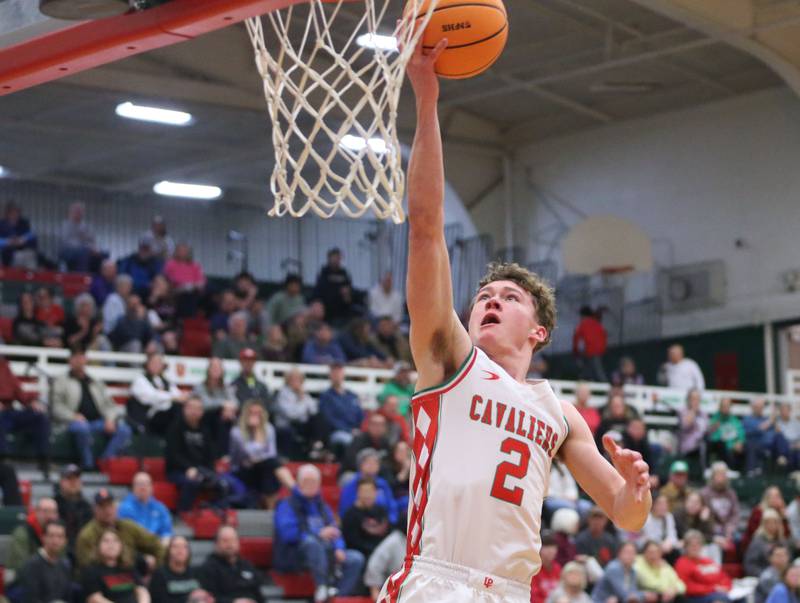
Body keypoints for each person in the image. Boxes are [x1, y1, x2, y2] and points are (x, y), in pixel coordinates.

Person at [377, 37, 651, 603]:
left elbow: (625, 516)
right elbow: (426, 226)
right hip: (437, 580)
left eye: (507, 297)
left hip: (510, 591)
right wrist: (427, 100)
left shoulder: (560, 412)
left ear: (539, 331)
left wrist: (637, 489)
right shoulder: (449, 356)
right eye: (483, 296)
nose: (489, 301)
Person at [274, 464, 365, 602]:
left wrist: (339, 548)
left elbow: (335, 531)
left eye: (314, 482)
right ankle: (321, 587)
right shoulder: (287, 505)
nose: (311, 485)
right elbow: (289, 534)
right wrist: (318, 533)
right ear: (298, 483)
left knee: (355, 558)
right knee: (311, 543)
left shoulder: (322, 506)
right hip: (295, 554)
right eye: (306, 481)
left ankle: (337, 596)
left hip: (326, 551)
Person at [52, 346, 133, 470]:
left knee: (124, 430)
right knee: (81, 428)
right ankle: (88, 464)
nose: (79, 360)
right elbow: (56, 407)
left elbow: (110, 405)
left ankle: (105, 461)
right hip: (73, 422)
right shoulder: (61, 381)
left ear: (86, 360)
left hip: (97, 421)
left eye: (82, 357)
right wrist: (73, 416)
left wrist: (110, 419)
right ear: (70, 360)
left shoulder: (95, 382)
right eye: (76, 357)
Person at [166, 396, 235, 512]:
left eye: (198, 409)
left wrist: (210, 472)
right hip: (178, 471)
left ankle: (217, 514)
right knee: (193, 482)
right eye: (191, 408)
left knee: (222, 484)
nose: (194, 411)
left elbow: (210, 456)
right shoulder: (175, 428)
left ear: (202, 412)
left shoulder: (205, 430)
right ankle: (182, 513)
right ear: (184, 409)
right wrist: (188, 468)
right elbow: (173, 455)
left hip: (201, 470)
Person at [75, 489, 164, 570]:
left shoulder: (128, 526)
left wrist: (156, 573)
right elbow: (86, 566)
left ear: (116, 507)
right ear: (95, 510)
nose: (107, 510)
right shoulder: (86, 535)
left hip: (131, 576)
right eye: (102, 507)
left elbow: (157, 545)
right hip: (101, 579)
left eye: (110, 505)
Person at [229, 400, 295, 508]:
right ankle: (295, 490)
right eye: (252, 413)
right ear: (246, 414)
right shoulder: (236, 432)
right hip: (242, 469)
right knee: (272, 465)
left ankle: (271, 508)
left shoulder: (269, 428)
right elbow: (248, 454)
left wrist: (260, 458)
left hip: (264, 468)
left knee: (270, 469)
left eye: (258, 413)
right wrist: (256, 433)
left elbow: (271, 453)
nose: (255, 416)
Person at [0, 355, 50, 473]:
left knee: (39, 417)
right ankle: (4, 462)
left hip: (9, 411)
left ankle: (43, 459)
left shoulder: (3, 365)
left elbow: (18, 390)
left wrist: (31, 401)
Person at [6, 497, 60, 596]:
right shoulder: (22, 533)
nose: (49, 516)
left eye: (53, 512)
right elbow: (21, 567)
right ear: (36, 512)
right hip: (22, 583)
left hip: (51, 581)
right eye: (45, 511)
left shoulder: (58, 533)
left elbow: (61, 560)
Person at [80, 529, 150, 603]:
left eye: (115, 541)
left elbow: (142, 591)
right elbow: (94, 599)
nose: (111, 544)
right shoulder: (91, 571)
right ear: (97, 546)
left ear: (121, 545)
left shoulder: (128, 568)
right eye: (106, 541)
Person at [198, 526, 264, 603]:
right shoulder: (208, 568)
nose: (230, 544)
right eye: (225, 541)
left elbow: (258, 594)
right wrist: (234, 601)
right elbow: (209, 599)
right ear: (216, 544)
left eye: (233, 540)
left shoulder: (247, 565)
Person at [128, 353, 188, 435]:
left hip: (166, 416)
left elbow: (178, 394)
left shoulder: (166, 381)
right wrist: (172, 397)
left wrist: (183, 397)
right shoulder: (140, 380)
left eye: (159, 363)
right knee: (176, 409)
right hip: (149, 418)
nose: (156, 365)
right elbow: (150, 397)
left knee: (184, 409)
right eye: (153, 362)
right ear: (147, 364)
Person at [273, 368, 324, 459]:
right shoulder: (283, 394)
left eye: (298, 379)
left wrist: (303, 397)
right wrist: (301, 400)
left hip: (301, 424)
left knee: (319, 418)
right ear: (288, 380)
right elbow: (292, 415)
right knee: (291, 429)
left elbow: (314, 410)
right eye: (293, 379)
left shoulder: (304, 394)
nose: (296, 382)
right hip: (287, 425)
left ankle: (317, 445)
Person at [340, 449, 398, 525]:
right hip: (360, 525)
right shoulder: (352, 484)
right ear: (360, 465)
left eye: (375, 463)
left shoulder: (382, 483)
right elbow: (346, 511)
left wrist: (390, 522)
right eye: (368, 463)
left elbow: (392, 505)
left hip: (383, 524)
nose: (372, 466)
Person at [19, 520, 72, 603]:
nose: (55, 541)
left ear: (65, 541)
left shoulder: (64, 565)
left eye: (60, 536)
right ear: (43, 538)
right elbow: (30, 599)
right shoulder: (32, 565)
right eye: (51, 536)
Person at [193, 357, 238, 454]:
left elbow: (235, 403)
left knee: (227, 418)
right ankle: (220, 454)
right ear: (208, 370)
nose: (216, 369)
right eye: (213, 366)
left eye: (218, 367)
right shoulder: (200, 387)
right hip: (205, 419)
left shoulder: (226, 387)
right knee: (218, 417)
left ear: (223, 370)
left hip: (224, 420)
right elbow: (204, 404)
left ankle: (228, 455)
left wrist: (228, 408)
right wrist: (223, 404)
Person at [674, 530, 731, 603]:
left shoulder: (708, 561)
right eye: (692, 545)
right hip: (695, 597)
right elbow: (686, 586)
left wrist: (725, 587)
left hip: (717, 594)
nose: (695, 547)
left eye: (698, 544)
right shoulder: (682, 563)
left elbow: (724, 577)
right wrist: (712, 588)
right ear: (685, 547)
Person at [149, 535, 211, 603]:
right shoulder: (160, 574)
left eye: (184, 547)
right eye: (175, 546)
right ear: (168, 551)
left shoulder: (197, 572)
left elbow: (209, 596)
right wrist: (190, 600)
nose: (180, 550)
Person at [342, 476, 391, 559]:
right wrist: (376, 551)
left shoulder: (381, 511)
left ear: (376, 493)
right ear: (358, 493)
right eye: (364, 491)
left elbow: (388, 534)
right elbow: (353, 542)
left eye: (370, 491)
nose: (367, 495)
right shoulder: (350, 514)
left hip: (383, 553)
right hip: (364, 554)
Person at [319, 362, 364, 450]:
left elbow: (360, 415)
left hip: (356, 432)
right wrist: (349, 430)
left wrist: (359, 430)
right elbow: (329, 419)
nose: (337, 375)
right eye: (334, 373)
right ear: (330, 376)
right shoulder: (326, 396)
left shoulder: (352, 395)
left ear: (343, 374)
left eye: (339, 372)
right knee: (349, 441)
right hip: (337, 432)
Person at [365, 510, 408, 601]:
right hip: (390, 592)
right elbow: (374, 565)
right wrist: (375, 593)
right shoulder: (393, 541)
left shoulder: (416, 542)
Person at [118, 472, 173, 542]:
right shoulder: (124, 508)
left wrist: (161, 549)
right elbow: (125, 533)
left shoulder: (160, 508)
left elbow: (167, 532)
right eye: (139, 484)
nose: (143, 487)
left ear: (152, 487)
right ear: (133, 487)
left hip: (156, 547)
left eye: (146, 484)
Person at [700, 462, 739, 553]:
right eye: (719, 474)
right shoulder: (704, 493)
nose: (721, 477)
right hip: (712, 530)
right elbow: (705, 516)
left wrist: (730, 527)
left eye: (723, 474)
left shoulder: (731, 494)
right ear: (712, 476)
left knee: (739, 540)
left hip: (728, 529)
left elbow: (735, 513)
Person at [54, 464, 93, 554]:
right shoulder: (54, 505)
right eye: (69, 479)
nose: (73, 482)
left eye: (76, 479)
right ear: (61, 482)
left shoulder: (87, 507)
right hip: (59, 552)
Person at [742, 487, 790, 556]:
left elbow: (785, 535)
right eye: (772, 496)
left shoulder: (781, 512)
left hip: (775, 546)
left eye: (777, 496)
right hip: (757, 546)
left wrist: (783, 518)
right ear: (767, 498)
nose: (775, 499)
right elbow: (755, 533)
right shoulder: (758, 511)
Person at [674, 491, 720, 563]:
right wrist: (702, 521)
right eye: (691, 501)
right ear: (686, 502)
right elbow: (689, 536)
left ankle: (715, 571)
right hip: (681, 544)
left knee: (714, 547)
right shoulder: (678, 514)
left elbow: (709, 535)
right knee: (701, 549)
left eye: (696, 503)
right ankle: (702, 572)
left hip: (695, 543)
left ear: (701, 505)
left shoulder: (703, 515)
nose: (693, 505)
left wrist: (704, 521)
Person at [162, 243, 206, 319]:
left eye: (185, 251)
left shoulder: (195, 265)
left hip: (193, 290)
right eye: (180, 250)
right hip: (176, 289)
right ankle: (185, 319)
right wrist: (182, 285)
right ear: (176, 252)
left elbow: (201, 281)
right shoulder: (170, 264)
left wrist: (191, 286)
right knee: (185, 293)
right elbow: (167, 278)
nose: (182, 253)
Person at [58, 201, 103, 272]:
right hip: (68, 251)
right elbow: (67, 242)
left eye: (80, 212)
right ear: (71, 212)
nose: (79, 214)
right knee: (83, 252)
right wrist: (86, 247)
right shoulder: (65, 226)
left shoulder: (86, 226)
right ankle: (81, 275)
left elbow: (92, 240)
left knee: (102, 254)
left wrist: (94, 248)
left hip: (85, 250)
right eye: (76, 211)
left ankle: (97, 277)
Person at [313, 247, 354, 325]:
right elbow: (318, 292)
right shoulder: (323, 273)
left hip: (343, 309)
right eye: (334, 258)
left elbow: (349, 290)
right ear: (329, 259)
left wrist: (347, 295)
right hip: (327, 309)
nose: (336, 260)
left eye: (338, 258)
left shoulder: (344, 273)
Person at [745, 509, 789, 578]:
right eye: (769, 522)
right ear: (763, 524)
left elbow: (788, 561)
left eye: (775, 522)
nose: (772, 525)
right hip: (763, 576)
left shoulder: (782, 541)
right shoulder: (757, 542)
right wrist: (765, 575)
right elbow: (750, 565)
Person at [637, 495, 679, 562]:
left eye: (665, 504)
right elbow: (649, 538)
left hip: (665, 547)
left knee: (676, 552)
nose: (663, 507)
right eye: (660, 504)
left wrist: (669, 543)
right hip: (649, 547)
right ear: (653, 505)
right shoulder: (647, 518)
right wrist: (661, 545)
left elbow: (672, 535)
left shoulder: (668, 517)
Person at [572, 306, 607, 383]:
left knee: (596, 374)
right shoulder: (598, 324)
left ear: (582, 315)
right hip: (600, 352)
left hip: (588, 352)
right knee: (592, 372)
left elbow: (577, 339)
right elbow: (604, 336)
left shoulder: (582, 325)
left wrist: (576, 353)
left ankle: (607, 390)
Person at [743, 398, 777, 476]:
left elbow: (774, 433)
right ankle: (751, 471)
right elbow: (754, 431)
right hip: (753, 444)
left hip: (768, 446)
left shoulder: (766, 419)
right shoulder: (747, 419)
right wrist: (769, 422)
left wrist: (775, 423)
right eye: (757, 407)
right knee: (752, 445)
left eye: (761, 407)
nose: (760, 409)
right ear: (752, 407)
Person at [678, 388, 709, 474]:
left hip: (702, 444)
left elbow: (706, 430)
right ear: (688, 400)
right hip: (688, 446)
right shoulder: (683, 411)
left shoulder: (703, 413)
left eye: (698, 399)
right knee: (698, 447)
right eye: (693, 399)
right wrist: (693, 411)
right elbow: (686, 425)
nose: (696, 401)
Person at [707, 398, 745, 469]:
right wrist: (731, 445)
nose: (725, 408)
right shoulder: (715, 419)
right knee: (723, 446)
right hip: (722, 447)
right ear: (720, 407)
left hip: (734, 446)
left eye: (727, 406)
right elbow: (715, 438)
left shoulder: (735, 420)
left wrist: (740, 442)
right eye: (723, 406)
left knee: (745, 448)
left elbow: (741, 434)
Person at [0, 200, 37, 267]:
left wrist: (22, 239)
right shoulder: (2, 224)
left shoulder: (24, 223)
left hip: (22, 250)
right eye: (13, 212)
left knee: (30, 255)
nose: (15, 214)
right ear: (7, 213)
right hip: (7, 253)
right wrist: (8, 242)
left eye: (17, 212)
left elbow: (31, 235)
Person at [531, 531, 562, 603]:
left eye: (553, 546)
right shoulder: (534, 568)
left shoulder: (558, 568)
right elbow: (533, 597)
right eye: (546, 546)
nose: (551, 550)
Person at [774, 403, 800, 469]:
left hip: (795, 444)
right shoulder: (777, 423)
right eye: (782, 410)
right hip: (784, 445)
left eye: (786, 410)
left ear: (790, 411)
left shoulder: (796, 422)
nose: (784, 412)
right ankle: (782, 456)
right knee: (779, 436)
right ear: (780, 412)